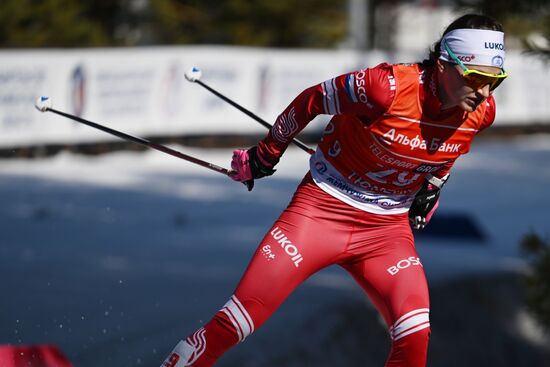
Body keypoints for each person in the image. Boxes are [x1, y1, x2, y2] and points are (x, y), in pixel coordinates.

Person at [160, 13, 507, 367]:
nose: (483, 91)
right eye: (476, 77)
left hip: (386, 232)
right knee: (234, 324)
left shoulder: (482, 112)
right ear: (444, 63)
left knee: (415, 338)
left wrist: (432, 187)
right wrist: (264, 155)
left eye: (494, 81)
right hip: (321, 212)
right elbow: (312, 100)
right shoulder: (384, 88)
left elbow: (448, 150)